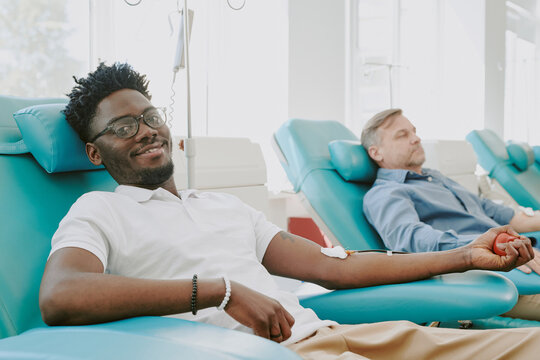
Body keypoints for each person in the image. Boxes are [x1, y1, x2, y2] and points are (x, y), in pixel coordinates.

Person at [40, 63, 540, 359]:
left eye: (150, 117)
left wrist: (466, 256)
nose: (146, 130)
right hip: (267, 352)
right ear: (93, 152)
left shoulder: (223, 206)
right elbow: (61, 295)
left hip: (338, 335)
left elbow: (332, 268)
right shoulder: (99, 209)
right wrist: (219, 291)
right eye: (124, 126)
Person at [362, 108, 540, 321]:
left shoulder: (436, 178)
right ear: (376, 153)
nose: (416, 139)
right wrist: (488, 247)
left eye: (414, 131)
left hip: (515, 253)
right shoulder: (386, 192)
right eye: (402, 135)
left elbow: (503, 215)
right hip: (486, 275)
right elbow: (410, 241)